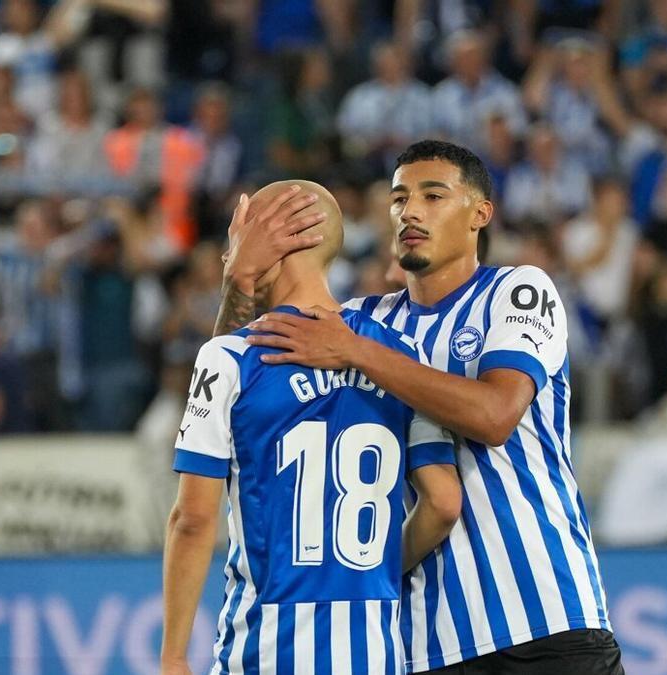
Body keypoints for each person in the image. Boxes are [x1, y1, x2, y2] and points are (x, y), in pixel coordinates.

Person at [224, 141, 623, 673]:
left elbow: (495, 415)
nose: (409, 211)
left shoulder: (518, 290)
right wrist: (238, 284)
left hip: (545, 622)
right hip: (422, 642)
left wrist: (356, 352)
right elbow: (231, 396)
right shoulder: (361, 322)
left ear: (480, 213)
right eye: (398, 199)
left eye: (433, 195)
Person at [161, 181, 462, 673]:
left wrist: (173, 656)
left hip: (266, 651)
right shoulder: (402, 357)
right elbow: (444, 504)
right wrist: (368, 571)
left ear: (276, 242)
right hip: (373, 651)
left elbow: (192, 520)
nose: (228, 254)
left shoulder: (230, 358)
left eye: (239, 237)